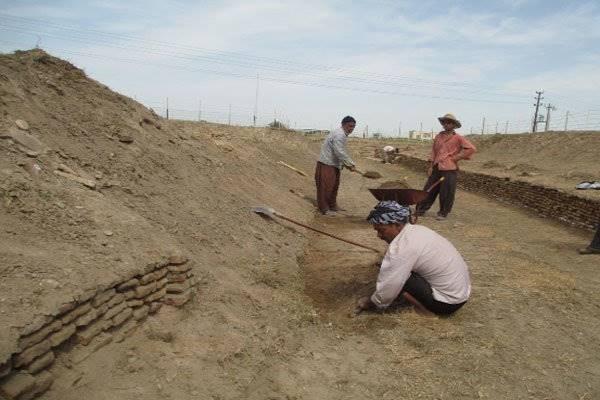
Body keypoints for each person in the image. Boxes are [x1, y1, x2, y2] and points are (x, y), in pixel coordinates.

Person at [355, 201, 471, 315]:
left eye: (382, 230)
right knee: (395, 269)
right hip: (460, 296)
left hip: (446, 304)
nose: (379, 236)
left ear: (397, 225)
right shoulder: (417, 230)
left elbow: (390, 285)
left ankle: (424, 310)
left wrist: (372, 302)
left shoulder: (402, 247)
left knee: (395, 276)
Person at [416, 113, 476, 221]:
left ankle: (443, 213)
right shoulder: (438, 136)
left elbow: (471, 149)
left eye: (449, 122)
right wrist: (430, 166)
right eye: (444, 122)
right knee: (429, 189)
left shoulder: (458, 138)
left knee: (446, 192)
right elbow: (434, 151)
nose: (446, 124)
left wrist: (455, 158)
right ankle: (420, 209)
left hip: (449, 169)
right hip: (436, 167)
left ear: (454, 125)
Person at [315, 116, 357, 216]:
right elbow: (339, 151)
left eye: (353, 127)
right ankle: (324, 209)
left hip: (334, 164)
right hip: (327, 164)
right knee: (326, 187)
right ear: (343, 124)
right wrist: (350, 164)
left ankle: (333, 206)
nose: (351, 129)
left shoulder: (342, 134)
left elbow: (339, 152)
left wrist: (345, 164)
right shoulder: (339, 134)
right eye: (350, 126)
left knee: (334, 186)